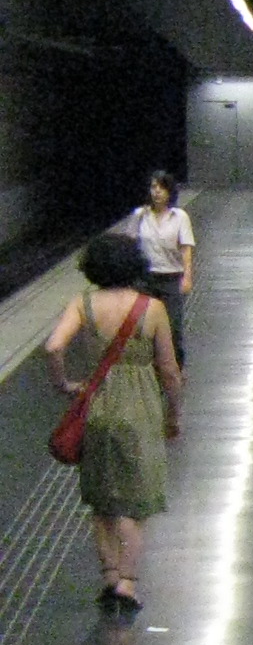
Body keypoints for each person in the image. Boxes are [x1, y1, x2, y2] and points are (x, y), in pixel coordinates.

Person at [44, 232, 182, 614]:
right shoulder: (151, 308)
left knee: (102, 502)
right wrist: (174, 414)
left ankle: (109, 577)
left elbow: (54, 346)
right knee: (133, 506)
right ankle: (127, 583)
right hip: (140, 410)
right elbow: (169, 371)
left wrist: (65, 385)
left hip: (97, 406)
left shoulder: (83, 304)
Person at [122, 173, 194, 364]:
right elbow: (129, 244)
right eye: (153, 187)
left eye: (162, 188)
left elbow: (186, 248)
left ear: (170, 192)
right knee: (143, 325)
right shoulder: (140, 216)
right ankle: (150, 364)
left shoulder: (179, 217)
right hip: (145, 279)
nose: (157, 192)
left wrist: (187, 276)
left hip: (171, 277)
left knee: (173, 326)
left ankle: (175, 366)